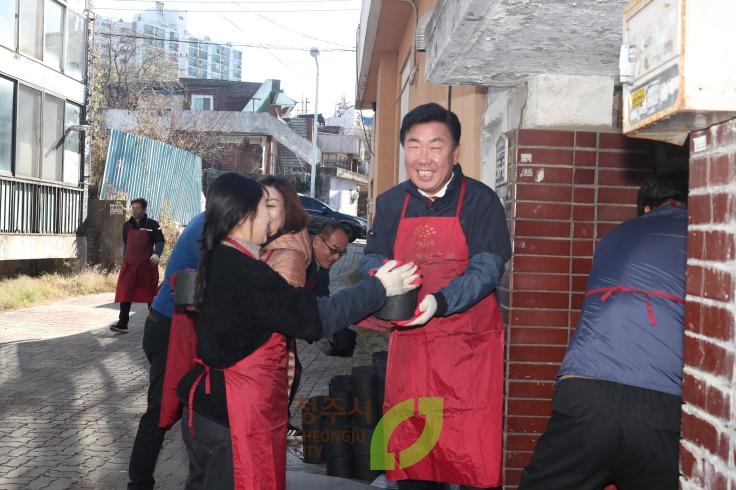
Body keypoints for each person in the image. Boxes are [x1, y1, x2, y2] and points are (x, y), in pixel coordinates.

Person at [175, 172, 420, 489]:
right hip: (233, 417)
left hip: (205, 410)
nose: (272, 216)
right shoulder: (247, 272)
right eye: (266, 207)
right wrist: (379, 288)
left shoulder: (220, 256)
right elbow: (313, 319)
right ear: (245, 214)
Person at [359, 102, 511, 489]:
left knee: (468, 457)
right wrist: (381, 276)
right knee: (412, 459)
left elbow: (486, 269)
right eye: (413, 145)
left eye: (435, 146)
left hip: (467, 354)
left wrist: (438, 302)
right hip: (411, 352)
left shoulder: (481, 201)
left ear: (455, 152)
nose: (423, 158)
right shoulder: (391, 202)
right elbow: (373, 256)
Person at [519, 171, 689, 490]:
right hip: (661, 404)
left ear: (647, 208)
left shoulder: (614, 236)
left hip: (586, 391)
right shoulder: (706, 240)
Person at [126, 211, 204, 490]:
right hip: (171, 330)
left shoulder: (213, 221)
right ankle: (139, 483)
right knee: (162, 409)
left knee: (189, 407)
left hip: (172, 327)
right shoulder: (211, 228)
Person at [257, 175, 314, 440]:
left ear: (288, 209)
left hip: (265, 368)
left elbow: (277, 320)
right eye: (258, 204)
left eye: (271, 205)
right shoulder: (266, 247)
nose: (262, 212)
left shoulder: (288, 256)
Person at [111, 197, 165, 333]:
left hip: (146, 266)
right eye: (133, 208)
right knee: (126, 292)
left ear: (144, 209)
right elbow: (126, 243)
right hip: (129, 266)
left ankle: (155, 324)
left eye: (138, 208)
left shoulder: (153, 225)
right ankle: (122, 324)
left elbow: (160, 241)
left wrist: (157, 254)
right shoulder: (127, 225)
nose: (135, 211)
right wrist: (125, 259)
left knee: (150, 294)